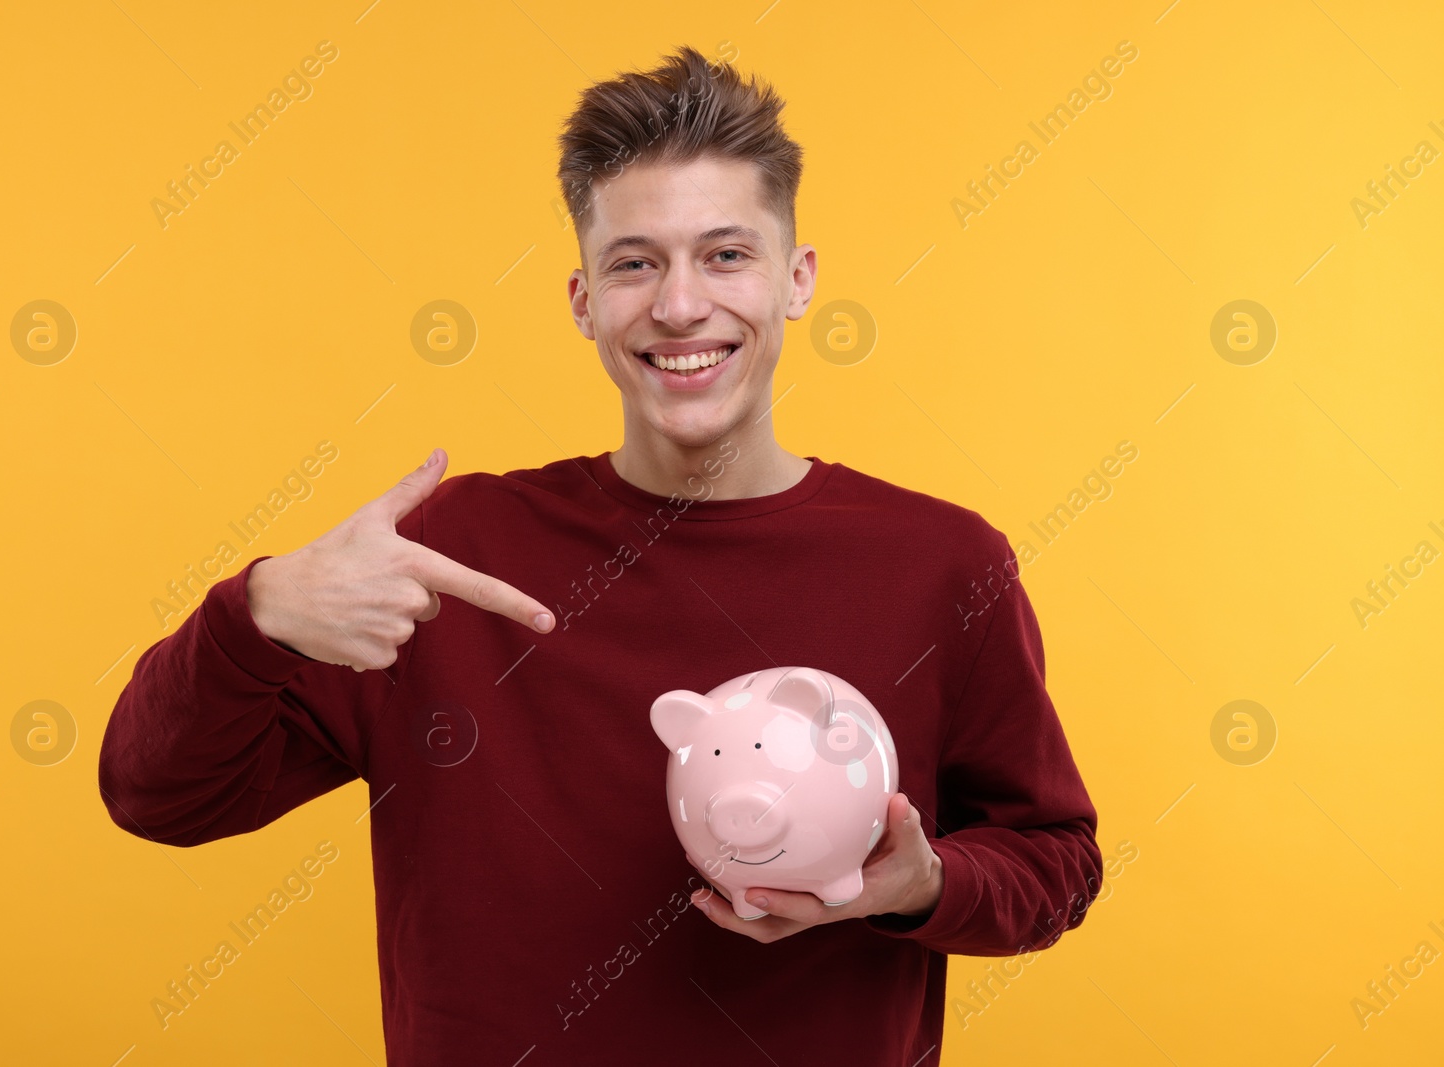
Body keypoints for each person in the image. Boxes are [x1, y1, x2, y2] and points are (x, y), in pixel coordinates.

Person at [99, 44, 1101, 1066]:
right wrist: (253, 615)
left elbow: (1055, 863)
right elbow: (159, 795)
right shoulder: (448, 557)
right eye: (634, 263)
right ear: (581, 301)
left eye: (725, 255)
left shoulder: (940, 563)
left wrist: (921, 885)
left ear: (796, 281)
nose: (677, 306)